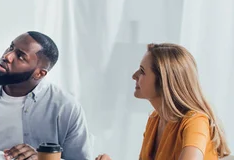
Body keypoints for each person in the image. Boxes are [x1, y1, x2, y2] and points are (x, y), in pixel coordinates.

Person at [0, 31, 93, 160]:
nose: (7, 56)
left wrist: (43, 159)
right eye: (10, 47)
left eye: (20, 56)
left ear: (39, 73)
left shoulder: (65, 107)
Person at [95, 43, 230, 160]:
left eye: (142, 71)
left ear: (164, 81)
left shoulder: (195, 121)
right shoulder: (155, 119)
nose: (134, 76)